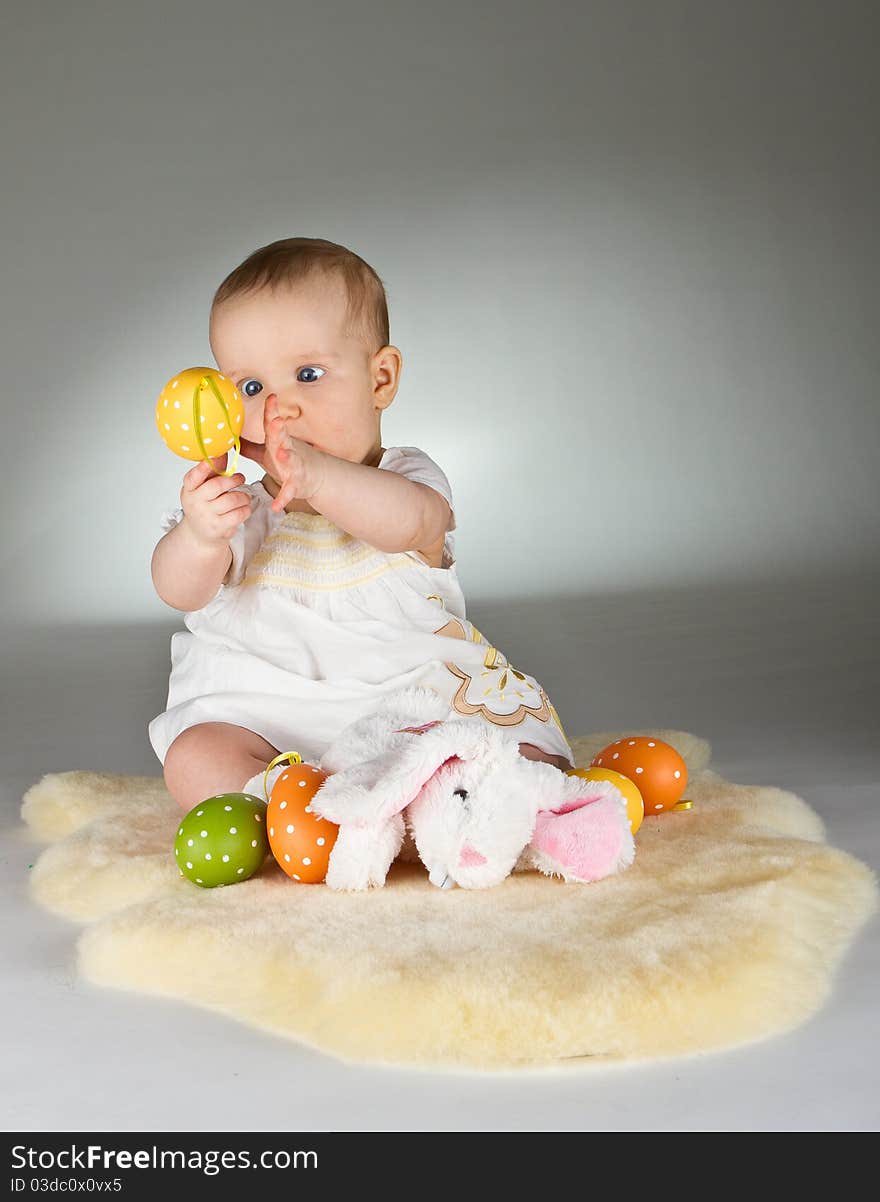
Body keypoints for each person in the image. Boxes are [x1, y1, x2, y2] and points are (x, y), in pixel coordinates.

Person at [149, 237, 575, 812]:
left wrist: (320, 478)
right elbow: (178, 589)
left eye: (308, 373)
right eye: (251, 388)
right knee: (195, 757)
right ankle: (305, 810)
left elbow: (412, 523)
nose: (281, 407)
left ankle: (425, 803)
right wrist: (198, 535)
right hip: (273, 720)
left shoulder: (404, 477)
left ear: (381, 379)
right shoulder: (241, 511)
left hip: (408, 706)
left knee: (517, 755)